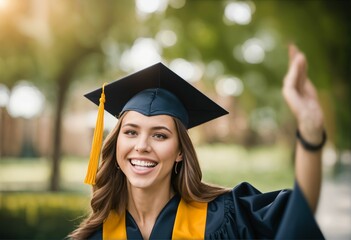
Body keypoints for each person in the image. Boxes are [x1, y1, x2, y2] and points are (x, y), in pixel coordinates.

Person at [69, 44, 326, 239]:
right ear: (116, 144)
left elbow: (296, 216)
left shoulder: (226, 217)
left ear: (180, 151)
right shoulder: (97, 235)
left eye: (160, 135)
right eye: (131, 132)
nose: (142, 146)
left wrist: (311, 135)